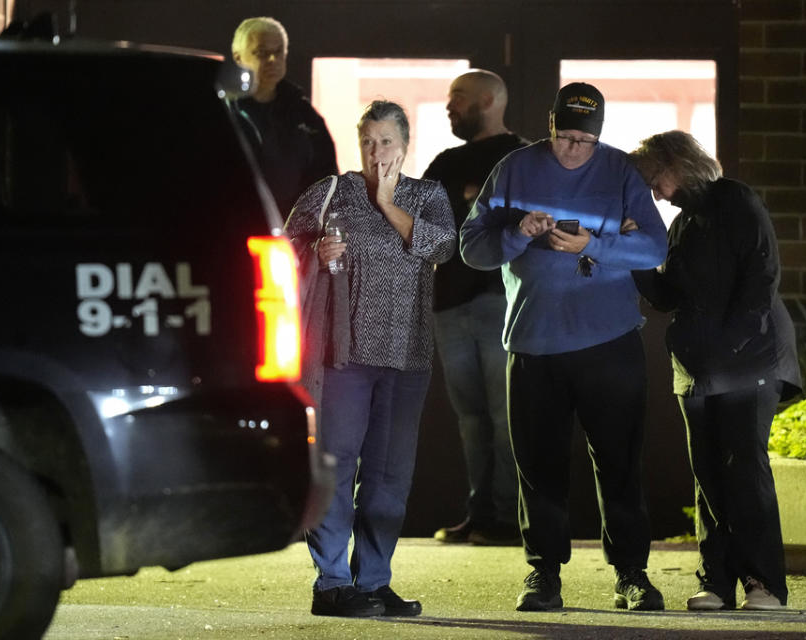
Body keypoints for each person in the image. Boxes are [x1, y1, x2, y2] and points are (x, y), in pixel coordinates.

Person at [460, 82, 668, 612]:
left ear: (598, 137)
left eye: (584, 140)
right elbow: (472, 248)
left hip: (610, 339)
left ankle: (631, 575)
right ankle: (543, 574)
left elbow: (654, 247)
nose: (574, 149)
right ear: (550, 126)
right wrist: (517, 232)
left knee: (618, 462)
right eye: (565, 137)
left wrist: (593, 244)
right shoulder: (513, 168)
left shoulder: (620, 170)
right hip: (535, 341)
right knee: (538, 463)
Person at [285, 100, 456, 618]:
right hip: (344, 353)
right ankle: (332, 583)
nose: (376, 151)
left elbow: (443, 247)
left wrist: (386, 201)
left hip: (407, 354)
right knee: (336, 467)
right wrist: (314, 252)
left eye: (386, 142)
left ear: (405, 145)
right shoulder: (330, 192)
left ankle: (375, 581)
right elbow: (283, 246)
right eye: (368, 141)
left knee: (388, 477)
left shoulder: (426, 196)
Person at [628, 130, 802, 611]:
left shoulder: (735, 200)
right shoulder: (683, 224)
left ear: (677, 163)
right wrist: (633, 257)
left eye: (653, 179)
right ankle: (718, 583)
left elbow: (761, 277)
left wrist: (730, 346)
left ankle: (765, 584)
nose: (654, 192)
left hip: (750, 360)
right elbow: (666, 296)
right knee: (707, 474)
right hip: (700, 366)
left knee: (744, 468)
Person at [422, 70, 528, 547]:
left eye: (458, 98)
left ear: (488, 100)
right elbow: (423, 223)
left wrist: (468, 206)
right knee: (471, 417)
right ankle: (478, 512)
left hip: (498, 300)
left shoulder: (522, 157)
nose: (450, 106)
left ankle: (506, 517)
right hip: (449, 304)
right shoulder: (445, 162)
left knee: (505, 415)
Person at [231, 16, 338, 215]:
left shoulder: (305, 115)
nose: (272, 60)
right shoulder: (227, 111)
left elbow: (327, 179)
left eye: (278, 52)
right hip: (236, 222)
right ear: (238, 57)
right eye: (262, 52)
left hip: (294, 232)